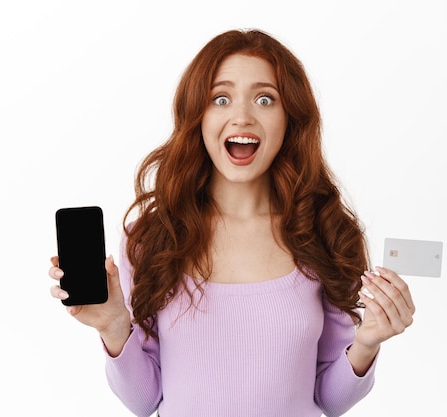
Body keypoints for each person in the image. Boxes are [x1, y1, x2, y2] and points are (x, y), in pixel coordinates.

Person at [49, 29, 415, 417]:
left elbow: (330, 398)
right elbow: (145, 401)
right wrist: (114, 327)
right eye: (220, 98)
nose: (242, 116)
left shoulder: (325, 232)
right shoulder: (152, 239)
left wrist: (368, 342)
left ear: (290, 117)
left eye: (264, 99)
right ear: (198, 117)